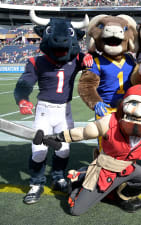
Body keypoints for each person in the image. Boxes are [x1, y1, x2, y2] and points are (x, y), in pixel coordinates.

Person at [42, 85, 141, 215]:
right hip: (105, 169)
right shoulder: (110, 122)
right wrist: (57, 137)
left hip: (128, 167)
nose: (139, 111)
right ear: (124, 106)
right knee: (76, 210)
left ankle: (120, 195)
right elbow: (83, 133)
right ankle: (80, 177)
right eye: (134, 104)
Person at [14, 10, 89, 205]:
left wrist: (89, 59)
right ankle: (36, 184)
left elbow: (94, 62)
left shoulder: (76, 59)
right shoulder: (36, 62)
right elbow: (25, 83)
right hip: (44, 111)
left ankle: (58, 177)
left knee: (63, 149)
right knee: (39, 149)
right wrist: (22, 99)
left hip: (65, 110)